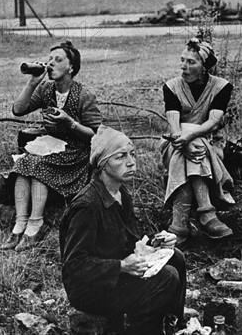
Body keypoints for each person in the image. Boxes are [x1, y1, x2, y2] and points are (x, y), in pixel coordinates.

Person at [60, 125, 186, 335]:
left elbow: (130, 240)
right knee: (166, 277)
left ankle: (174, 325)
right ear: (102, 164)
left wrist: (156, 243)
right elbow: (73, 266)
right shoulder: (87, 206)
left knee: (176, 258)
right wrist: (120, 266)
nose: (131, 162)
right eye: (120, 157)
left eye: (132, 154)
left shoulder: (121, 194)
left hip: (116, 273)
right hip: (90, 289)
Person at [1, 40, 102, 252]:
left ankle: (36, 224)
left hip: (75, 152)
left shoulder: (84, 95)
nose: (51, 64)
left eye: (58, 60)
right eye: (49, 59)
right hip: (51, 146)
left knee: (38, 166)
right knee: (23, 163)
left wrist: (70, 123)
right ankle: (20, 224)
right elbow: (18, 110)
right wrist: (32, 82)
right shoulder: (46, 89)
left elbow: (95, 135)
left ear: (71, 67)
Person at [160, 38, 235, 245]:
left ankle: (179, 225)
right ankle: (206, 213)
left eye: (191, 62)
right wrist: (184, 141)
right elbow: (174, 123)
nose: (184, 66)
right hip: (175, 143)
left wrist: (190, 138)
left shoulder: (221, 87)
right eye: (182, 60)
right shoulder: (172, 87)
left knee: (193, 138)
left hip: (210, 145)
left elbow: (213, 122)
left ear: (204, 66)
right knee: (187, 134)